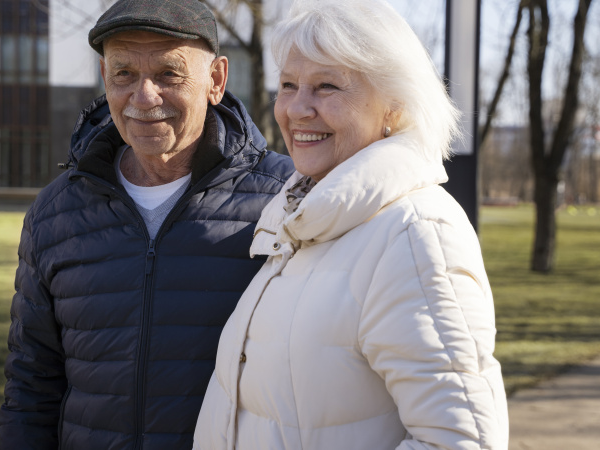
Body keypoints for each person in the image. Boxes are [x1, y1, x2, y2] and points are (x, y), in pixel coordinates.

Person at [193, 0, 509, 448]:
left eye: (327, 86)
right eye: (288, 85)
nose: (297, 109)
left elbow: (460, 440)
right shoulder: (306, 220)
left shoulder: (415, 233)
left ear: (394, 108)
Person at [0, 0, 293, 448]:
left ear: (215, 80)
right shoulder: (56, 211)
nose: (144, 96)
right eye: (124, 74)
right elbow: (31, 385)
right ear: (104, 78)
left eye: (169, 73)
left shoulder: (285, 201)